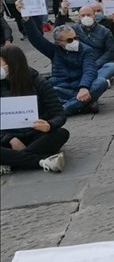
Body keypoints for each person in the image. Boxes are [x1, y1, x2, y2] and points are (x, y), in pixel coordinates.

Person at [18, 4, 108, 114]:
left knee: (101, 82)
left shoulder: (86, 50)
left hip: (80, 88)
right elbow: (37, 39)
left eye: (76, 38)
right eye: (70, 40)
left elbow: (90, 70)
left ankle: (64, 109)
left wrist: (83, 87)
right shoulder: (54, 50)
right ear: (59, 43)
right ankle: (84, 105)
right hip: (59, 89)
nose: (74, 41)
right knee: (38, 88)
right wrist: (26, 19)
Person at [0, 45, 69, 174]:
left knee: (61, 133)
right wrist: (9, 138)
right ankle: (42, 161)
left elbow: (59, 113)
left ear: (12, 64)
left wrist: (49, 125)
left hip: (36, 135)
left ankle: (10, 161)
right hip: (8, 138)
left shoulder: (38, 81)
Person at [71, 4, 114, 80]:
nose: (86, 17)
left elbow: (110, 52)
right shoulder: (73, 29)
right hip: (80, 64)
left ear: (94, 16)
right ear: (79, 17)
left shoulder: (104, 31)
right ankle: (96, 79)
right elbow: (58, 33)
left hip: (98, 64)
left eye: (88, 15)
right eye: (83, 15)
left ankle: (90, 78)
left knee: (113, 67)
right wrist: (63, 12)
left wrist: (95, 65)